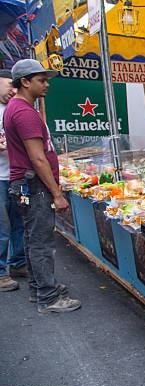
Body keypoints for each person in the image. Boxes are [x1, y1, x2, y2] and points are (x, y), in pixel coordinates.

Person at [4, 59, 80, 313]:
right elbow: (37, 157)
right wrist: (57, 194)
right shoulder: (24, 112)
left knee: (31, 237)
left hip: (25, 184)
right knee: (41, 242)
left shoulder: (16, 108)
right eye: (41, 80)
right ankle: (48, 298)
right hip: (33, 184)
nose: (46, 85)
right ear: (25, 82)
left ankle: (39, 288)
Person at [0, 69, 26, 292]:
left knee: (19, 222)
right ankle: (0, 273)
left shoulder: (15, 108)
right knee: (2, 226)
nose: (13, 90)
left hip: (17, 176)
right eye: (10, 84)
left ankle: (18, 262)